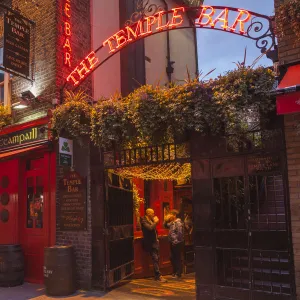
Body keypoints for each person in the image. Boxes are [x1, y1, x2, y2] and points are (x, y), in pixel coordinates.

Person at [141, 208, 167, 282]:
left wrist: (157, 238)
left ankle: (157, 276)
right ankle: (158, 276)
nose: (153, 214)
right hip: (150, 243)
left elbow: (154, 230)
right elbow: (150, 228)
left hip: (155, 242)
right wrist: (155, 222)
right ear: (148, 213)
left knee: (157, 258)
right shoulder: (143, 220)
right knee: (155, 258)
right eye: (152, 213)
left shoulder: (151, 220)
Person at [164, 209, 184, 279]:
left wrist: (176, 241)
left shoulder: (178, 223)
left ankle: (178, 273)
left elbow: (180, 233)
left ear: (174, 215)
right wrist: (167, 218)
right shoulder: (172, 222)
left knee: (177, 257)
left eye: (171, 214)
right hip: (172, 242)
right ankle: (175, 271)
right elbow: (165, 225)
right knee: (172, 257)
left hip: (177, 243)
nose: (170, 215)